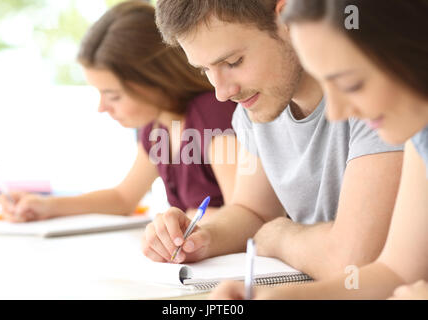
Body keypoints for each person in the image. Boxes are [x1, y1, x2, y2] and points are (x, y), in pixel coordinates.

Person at [142, 0, 403, 279]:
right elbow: (252, 211)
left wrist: (280, 236)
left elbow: (353, 261)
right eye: (204, 70)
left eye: (233, 62)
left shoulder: (373, 92)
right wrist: (200, 238)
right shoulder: (256, 105)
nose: (222, 92)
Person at [210, 0, 428, 299]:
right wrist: (288, 297)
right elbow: (397, 272)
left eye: (351, 84)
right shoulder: (420, 140)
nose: (336, 113)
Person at [0, 1, 238, 226]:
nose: (102, 107)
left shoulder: (211, 114)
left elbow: (242, 212)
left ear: (155, 80)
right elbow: (123, 198)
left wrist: (192, 221)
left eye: (113, 95)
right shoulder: (157, 129)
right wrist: (46, 205)